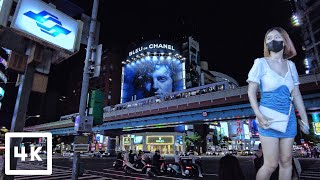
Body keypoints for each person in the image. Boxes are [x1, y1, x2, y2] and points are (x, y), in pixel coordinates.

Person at [247, 27, 310, 180]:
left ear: (284, 41)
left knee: (286, 161)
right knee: (270, 164)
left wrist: (305, 120)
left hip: (288, 119)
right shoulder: (260, 63)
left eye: (276, 37)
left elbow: (296, 95)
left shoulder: (291, 66)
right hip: (267, 118)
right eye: (268, 38)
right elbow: (251, 92)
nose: (272, 40)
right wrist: (259, 115)